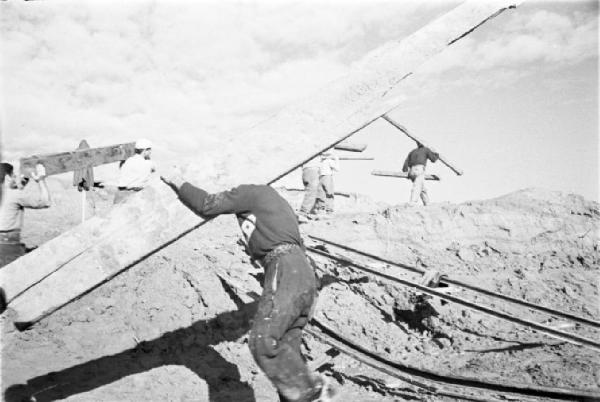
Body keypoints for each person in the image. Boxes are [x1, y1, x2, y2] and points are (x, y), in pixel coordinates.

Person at [161, 168, 335, 402]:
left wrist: (178, 181)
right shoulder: (275, 203)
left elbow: (207, 204)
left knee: (262, 341)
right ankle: (306, 393)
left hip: (284, 268)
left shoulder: (249, 193)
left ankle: (314, 390)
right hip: (302, 273)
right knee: (288, 352)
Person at [0, 162, 51, 267]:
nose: (15, 178)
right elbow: (45, 202)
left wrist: (22, 182)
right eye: (13, 175)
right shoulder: (13, 194)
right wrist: (40, 179)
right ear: (7, 177)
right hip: (7, 246)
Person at [114, 138, 156, 204]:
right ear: (145, 151)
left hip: (120, 193)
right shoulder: (148, 163)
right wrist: (148, 158)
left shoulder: (128, 160)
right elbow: (153, 169)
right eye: (149, 149)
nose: (151, 152)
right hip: (133, 195)